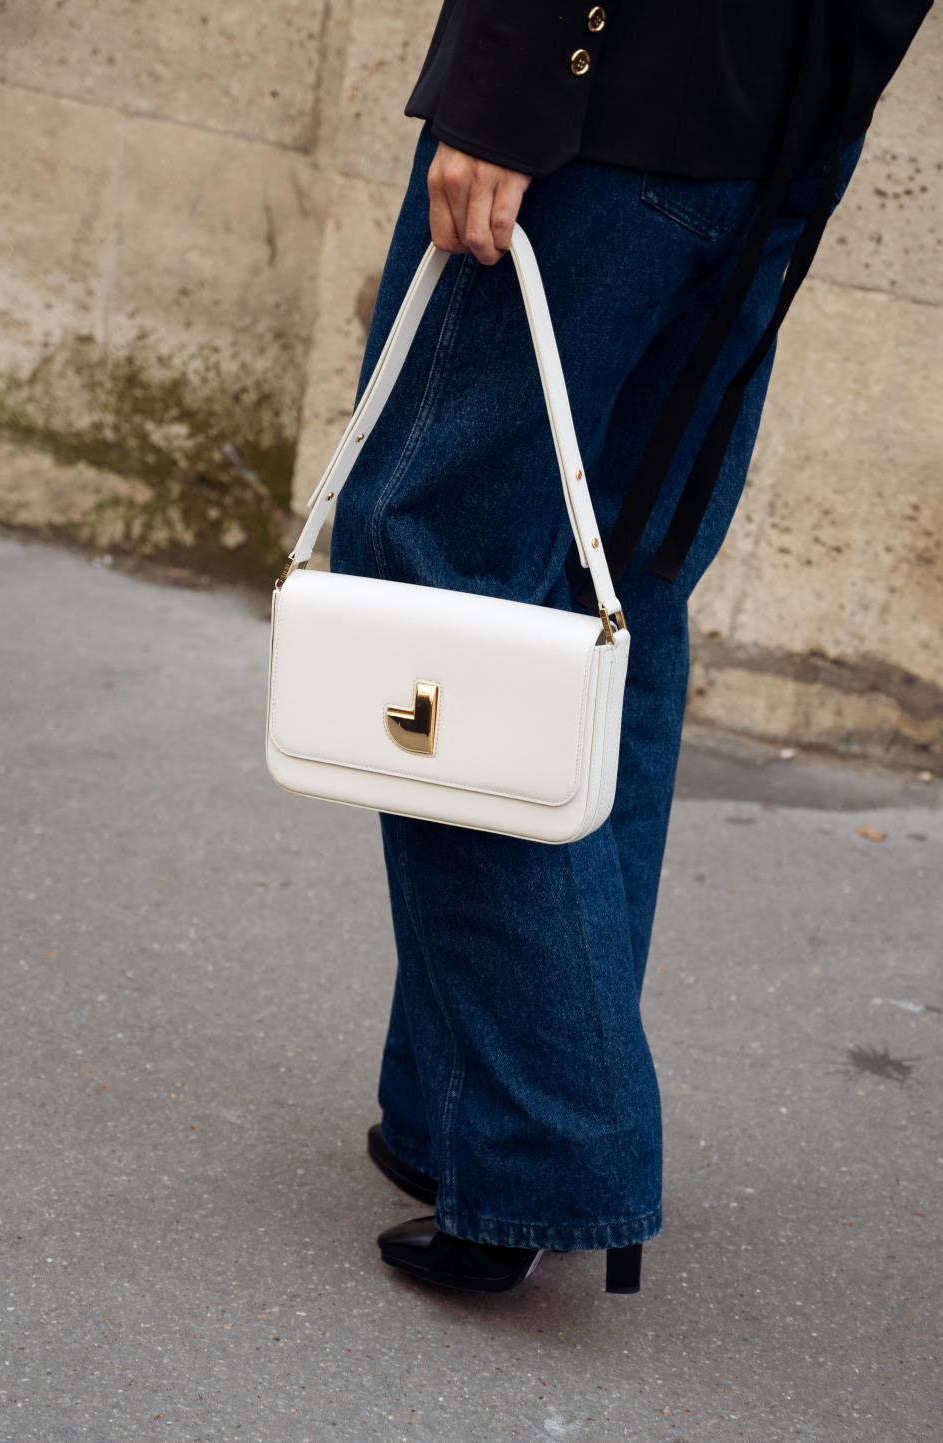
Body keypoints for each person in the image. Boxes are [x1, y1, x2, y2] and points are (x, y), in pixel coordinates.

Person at [327, 0, 933, 1294]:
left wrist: (512, 77)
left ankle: (553, 1146)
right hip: (778, 128)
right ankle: (464, 1116)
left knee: (439, 568)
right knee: (617, 608)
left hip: (611, 101)